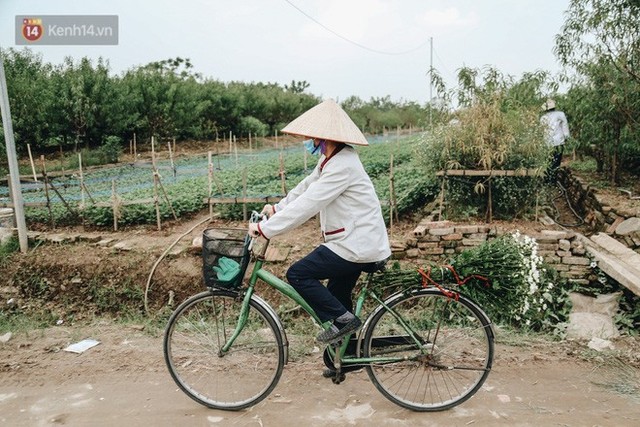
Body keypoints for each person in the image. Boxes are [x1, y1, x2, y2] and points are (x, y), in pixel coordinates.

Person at [248, 98, 391, 348]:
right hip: (352, 241)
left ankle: (345, 323)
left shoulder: (342, 166)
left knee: (298, 273)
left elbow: (309, 204)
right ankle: (348, 356)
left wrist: (265, 229)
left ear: (325, 138)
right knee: (337, 296)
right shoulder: (332, 158)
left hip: (356, 245)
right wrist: (277, 208)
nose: (309, 141)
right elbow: (307, 187)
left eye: (313, 137)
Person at [540, 98, 570, 183]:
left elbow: (542, 131)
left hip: (547, 142)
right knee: (557, 161)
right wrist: (567, 137)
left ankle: (548, 179)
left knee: (549, 161)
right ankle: (553, 180)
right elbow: (565, 126)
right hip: (558, 141)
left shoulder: (543, 118)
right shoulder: (560, 114)